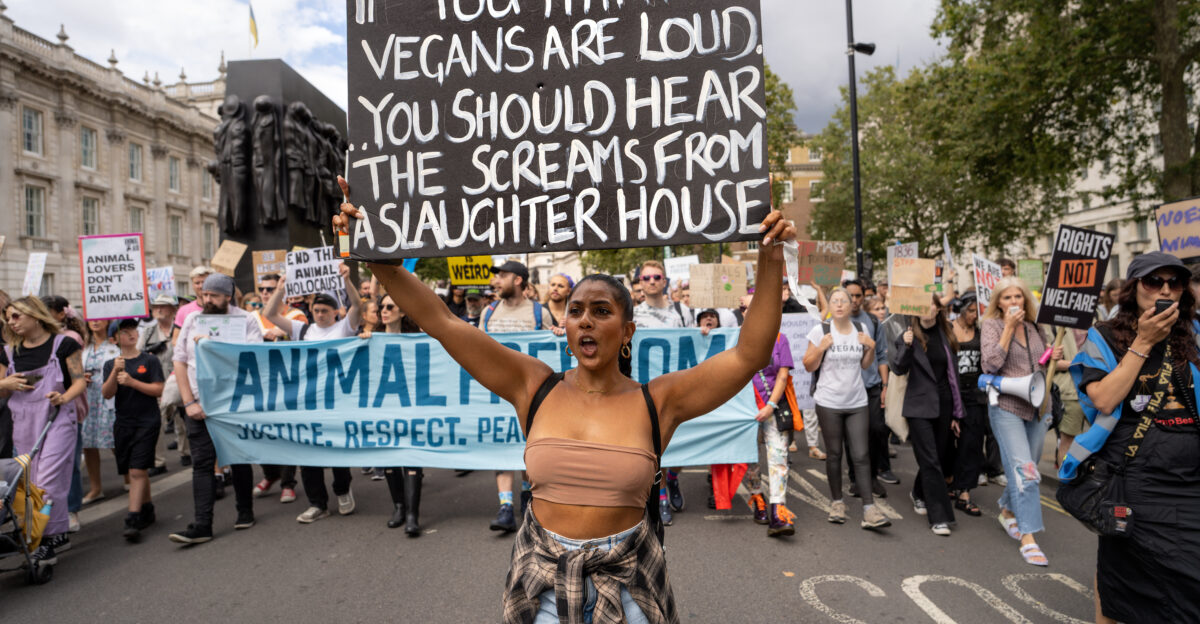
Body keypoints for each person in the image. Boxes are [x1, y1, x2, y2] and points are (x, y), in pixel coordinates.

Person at [335, 178, 797, 624]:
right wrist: (378, 256)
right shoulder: (532, 386)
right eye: (576, 311)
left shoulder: (660, 401)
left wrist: (770, 254)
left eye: (602, 311)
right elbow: (444, 323)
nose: (586, 322)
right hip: (543, 593)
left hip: (632, 590)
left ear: (628, 331)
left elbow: (748, 354)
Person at [1066, 252, 1200, 623]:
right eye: (1154, 281)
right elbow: (1105, 400)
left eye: (1175, 282)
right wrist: (1143, 342)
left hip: (1189, 477)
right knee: (1126, 577)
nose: (1165, 289)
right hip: (1135, 476)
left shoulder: (1194, 332)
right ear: (1133, 288)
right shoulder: (1106, 336)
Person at [168, 273, 264, 545]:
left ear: (227, 297)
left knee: (239, 457)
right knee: (201, 464)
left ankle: (245, 511)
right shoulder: (191, 319)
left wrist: (215, 347)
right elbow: (179, 360)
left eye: (212, 296)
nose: (206, 299)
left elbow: (255, 359)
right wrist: (188, 402)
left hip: (233, 405)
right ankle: (202, 524)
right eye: (204, 295)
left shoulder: (245, 320)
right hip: (199, 405)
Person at [264, 264, 362, 524]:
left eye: (324, 311)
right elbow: (270, 314)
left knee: (336, 449)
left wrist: (347, 281)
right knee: (308, 454)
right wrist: (282, 288)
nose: (319, 314)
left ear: (335, 312)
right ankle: (317, 503)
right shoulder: (303, 330)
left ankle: (342, 490)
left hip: (336, 400)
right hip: (307, 401)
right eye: (316, 310)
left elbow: (358, 307)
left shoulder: (343, 328)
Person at [981, 277, 1061, 566]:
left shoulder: (1036, 326)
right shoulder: (992, 326)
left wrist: (1054, 357)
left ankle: (1007, 509)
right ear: (998, 303)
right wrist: (1009, 328)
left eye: (1018, 296)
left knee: (1028, 468)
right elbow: (990, 363)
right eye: (1007, 297)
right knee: (1025, 471)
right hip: (1008, 407)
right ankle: (1029, 537)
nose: (1013, 301)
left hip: (1038, 408)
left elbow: (1039, 364)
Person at [0, 296, 87, 563]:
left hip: (57, 417)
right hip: (23, 422)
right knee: (32, 483)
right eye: (8, 317)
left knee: (48, 480)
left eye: (17, 316)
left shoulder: (65, 344)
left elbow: (79, 381)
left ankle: (48, 539)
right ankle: (48, 534)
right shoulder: (7, 352)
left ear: (35, 316)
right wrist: (7, 384)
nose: (11, 322)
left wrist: (64, 397)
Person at [802, 288, 889, 530]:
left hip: (856, 401)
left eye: (844, 301)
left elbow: (865, 364)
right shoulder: (821, 330)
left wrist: (870, 348)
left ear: (851, 305)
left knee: (861, 455)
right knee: (834, 454)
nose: (839, 305)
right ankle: (837, 502)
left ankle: (869, 509)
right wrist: (821, 348)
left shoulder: (861, 329)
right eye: (835, 301)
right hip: (828, 402)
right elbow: (808, 365)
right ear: (829, 306)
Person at [483, 259, 547, 532]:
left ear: (518, 280)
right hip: (496, 392)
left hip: (528, 392)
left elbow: (553, 348)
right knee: (501, 443)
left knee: (527, 444)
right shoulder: (489, 311)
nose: (497, 281)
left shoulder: (538, 312)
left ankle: (526, 494)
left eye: (503, 276)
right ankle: (505, 506)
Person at [893, 295, 964, 536]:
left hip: (944, 405)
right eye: (921, 304)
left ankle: (919, 492)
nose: (927, 309)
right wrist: (906, 344)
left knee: (938, 457)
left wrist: (956, 411)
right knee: (931, 459)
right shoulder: (908, 334)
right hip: (918, 407)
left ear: (938, 308)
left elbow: (953, 375)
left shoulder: (948, 333)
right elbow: (898, 367)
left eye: (931, 304)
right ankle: (940, 517)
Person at [632, 260, 693, 526]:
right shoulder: (632, 315)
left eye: (657, 276)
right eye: (647, 278)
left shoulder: (682, 311)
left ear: (665, 281)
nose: (652, 281)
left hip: (676, 388)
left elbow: (695, 341)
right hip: (645, 389)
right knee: (656, 444)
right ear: (640, 284)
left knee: (683, 441)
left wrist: (704, 330)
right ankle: (662, 496)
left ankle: (672, 477)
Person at [101, 318, 165, 541]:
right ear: (114, 339)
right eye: (124, 331)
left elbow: (158, 389)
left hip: (147, 421)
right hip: (124, 422)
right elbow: (107, 393)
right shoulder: (111, 364)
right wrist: (115, 374)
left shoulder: (149, 360)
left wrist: (132, 382)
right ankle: (146, 508)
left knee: (137, 470)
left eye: (133, 330)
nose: (131, 334)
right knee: (136, 469)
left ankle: (132, 517)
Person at [373, 293, 427, 534]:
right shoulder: (370, 339)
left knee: (411, 456)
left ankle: (413, 514)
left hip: (411, 405)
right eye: (381, 307)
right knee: (390, 457)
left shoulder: (416, 340)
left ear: (403, 311)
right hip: (383, 406)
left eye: (390, 306)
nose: (384, 311)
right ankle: (399, 507)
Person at [745, 332, 799, 536]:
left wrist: (770, 405)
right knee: (751, 458)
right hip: (746, 408)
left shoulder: (779, 338)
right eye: (743, 308)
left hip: (773, 407)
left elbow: (783, 375)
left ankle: (778, 509)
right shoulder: (738, 336)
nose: (746, 312)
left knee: (779, 458)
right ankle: (757, 497)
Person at [842, 279, 894, 492]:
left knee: (875, 430)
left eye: (858, 296)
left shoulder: (872, 322)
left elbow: (882, 355)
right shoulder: (836, 322)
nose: (854, 300)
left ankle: (872, 477)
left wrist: (885, 386)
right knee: (852, 435)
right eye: (850, 296)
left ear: (864, 297)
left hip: (871, 387)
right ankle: (856, 478)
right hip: (847, 390)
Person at [948, 293, 986, 517]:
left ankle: (964, 492)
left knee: (971, 444)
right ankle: (950, 480)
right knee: (949, 444)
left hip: (975, 395)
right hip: (952, 393)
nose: (974, 315)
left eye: (977, 311)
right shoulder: (948, 329)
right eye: (971, 311)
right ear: (961, 310)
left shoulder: (981, 332)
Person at [80, 318, 121, 504]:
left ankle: (128, 476)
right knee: (88, 443)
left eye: (99, 319)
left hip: (108, 394)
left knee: (114, 439)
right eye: (92, 319)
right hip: (88, 396)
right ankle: (96, 488)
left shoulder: (114, 344)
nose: (95, 323)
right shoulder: (83, 346)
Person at [173, 266, 214, 344]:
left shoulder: (221, 307)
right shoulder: (183, 310)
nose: (201, 286)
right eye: (197, 283)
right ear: (192, 285)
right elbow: (175, 340)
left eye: (204, 282)